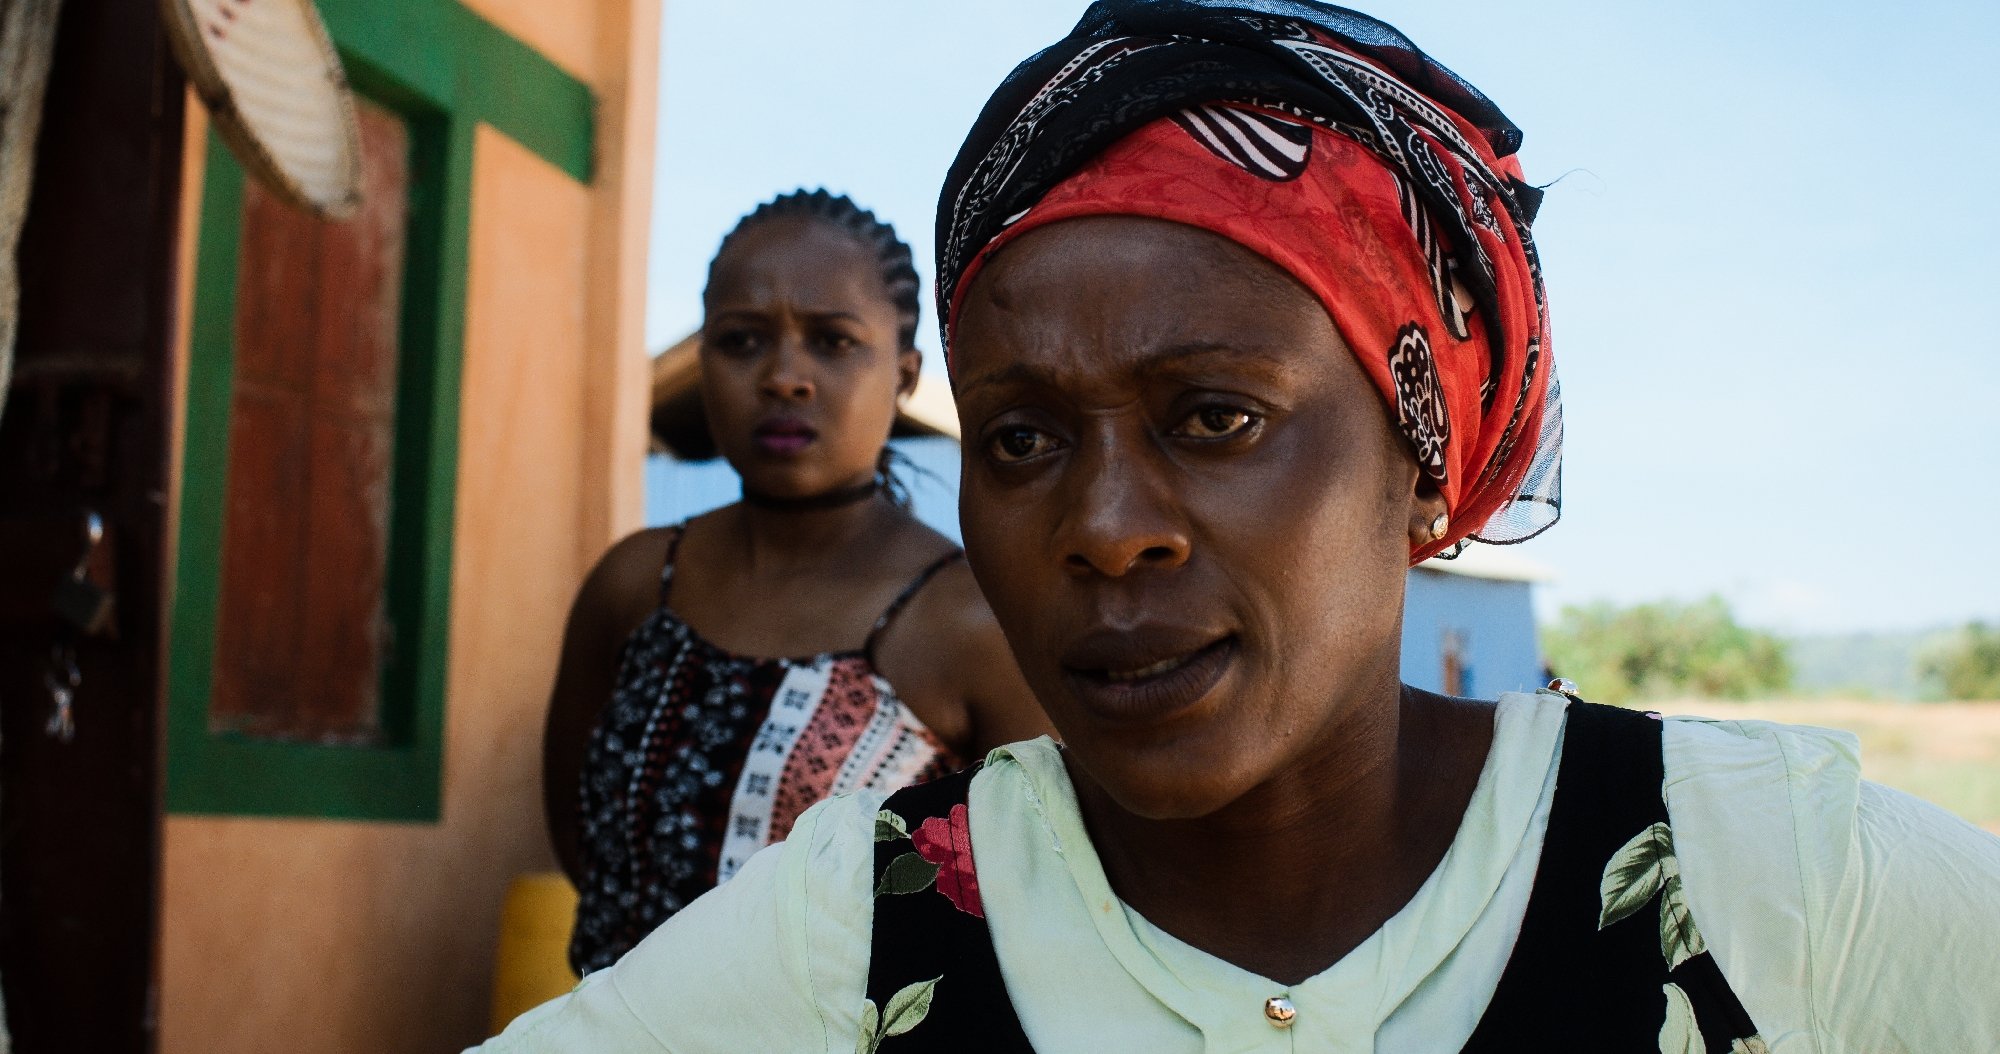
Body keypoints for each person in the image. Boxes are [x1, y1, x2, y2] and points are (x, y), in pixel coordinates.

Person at [486, 3, 2000, 1049]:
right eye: (1020, 438)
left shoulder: (1762, 873)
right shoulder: (853, 926)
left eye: (1215, 418)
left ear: (1423, 462)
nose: (1104, 526)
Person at [541, 189, 1050, 975]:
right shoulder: (634, 585)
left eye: (833, 342)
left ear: (906, 374)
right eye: (741, 341)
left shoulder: (974, 623)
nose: (784, 377)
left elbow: (1030, 909)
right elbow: (581, 839)